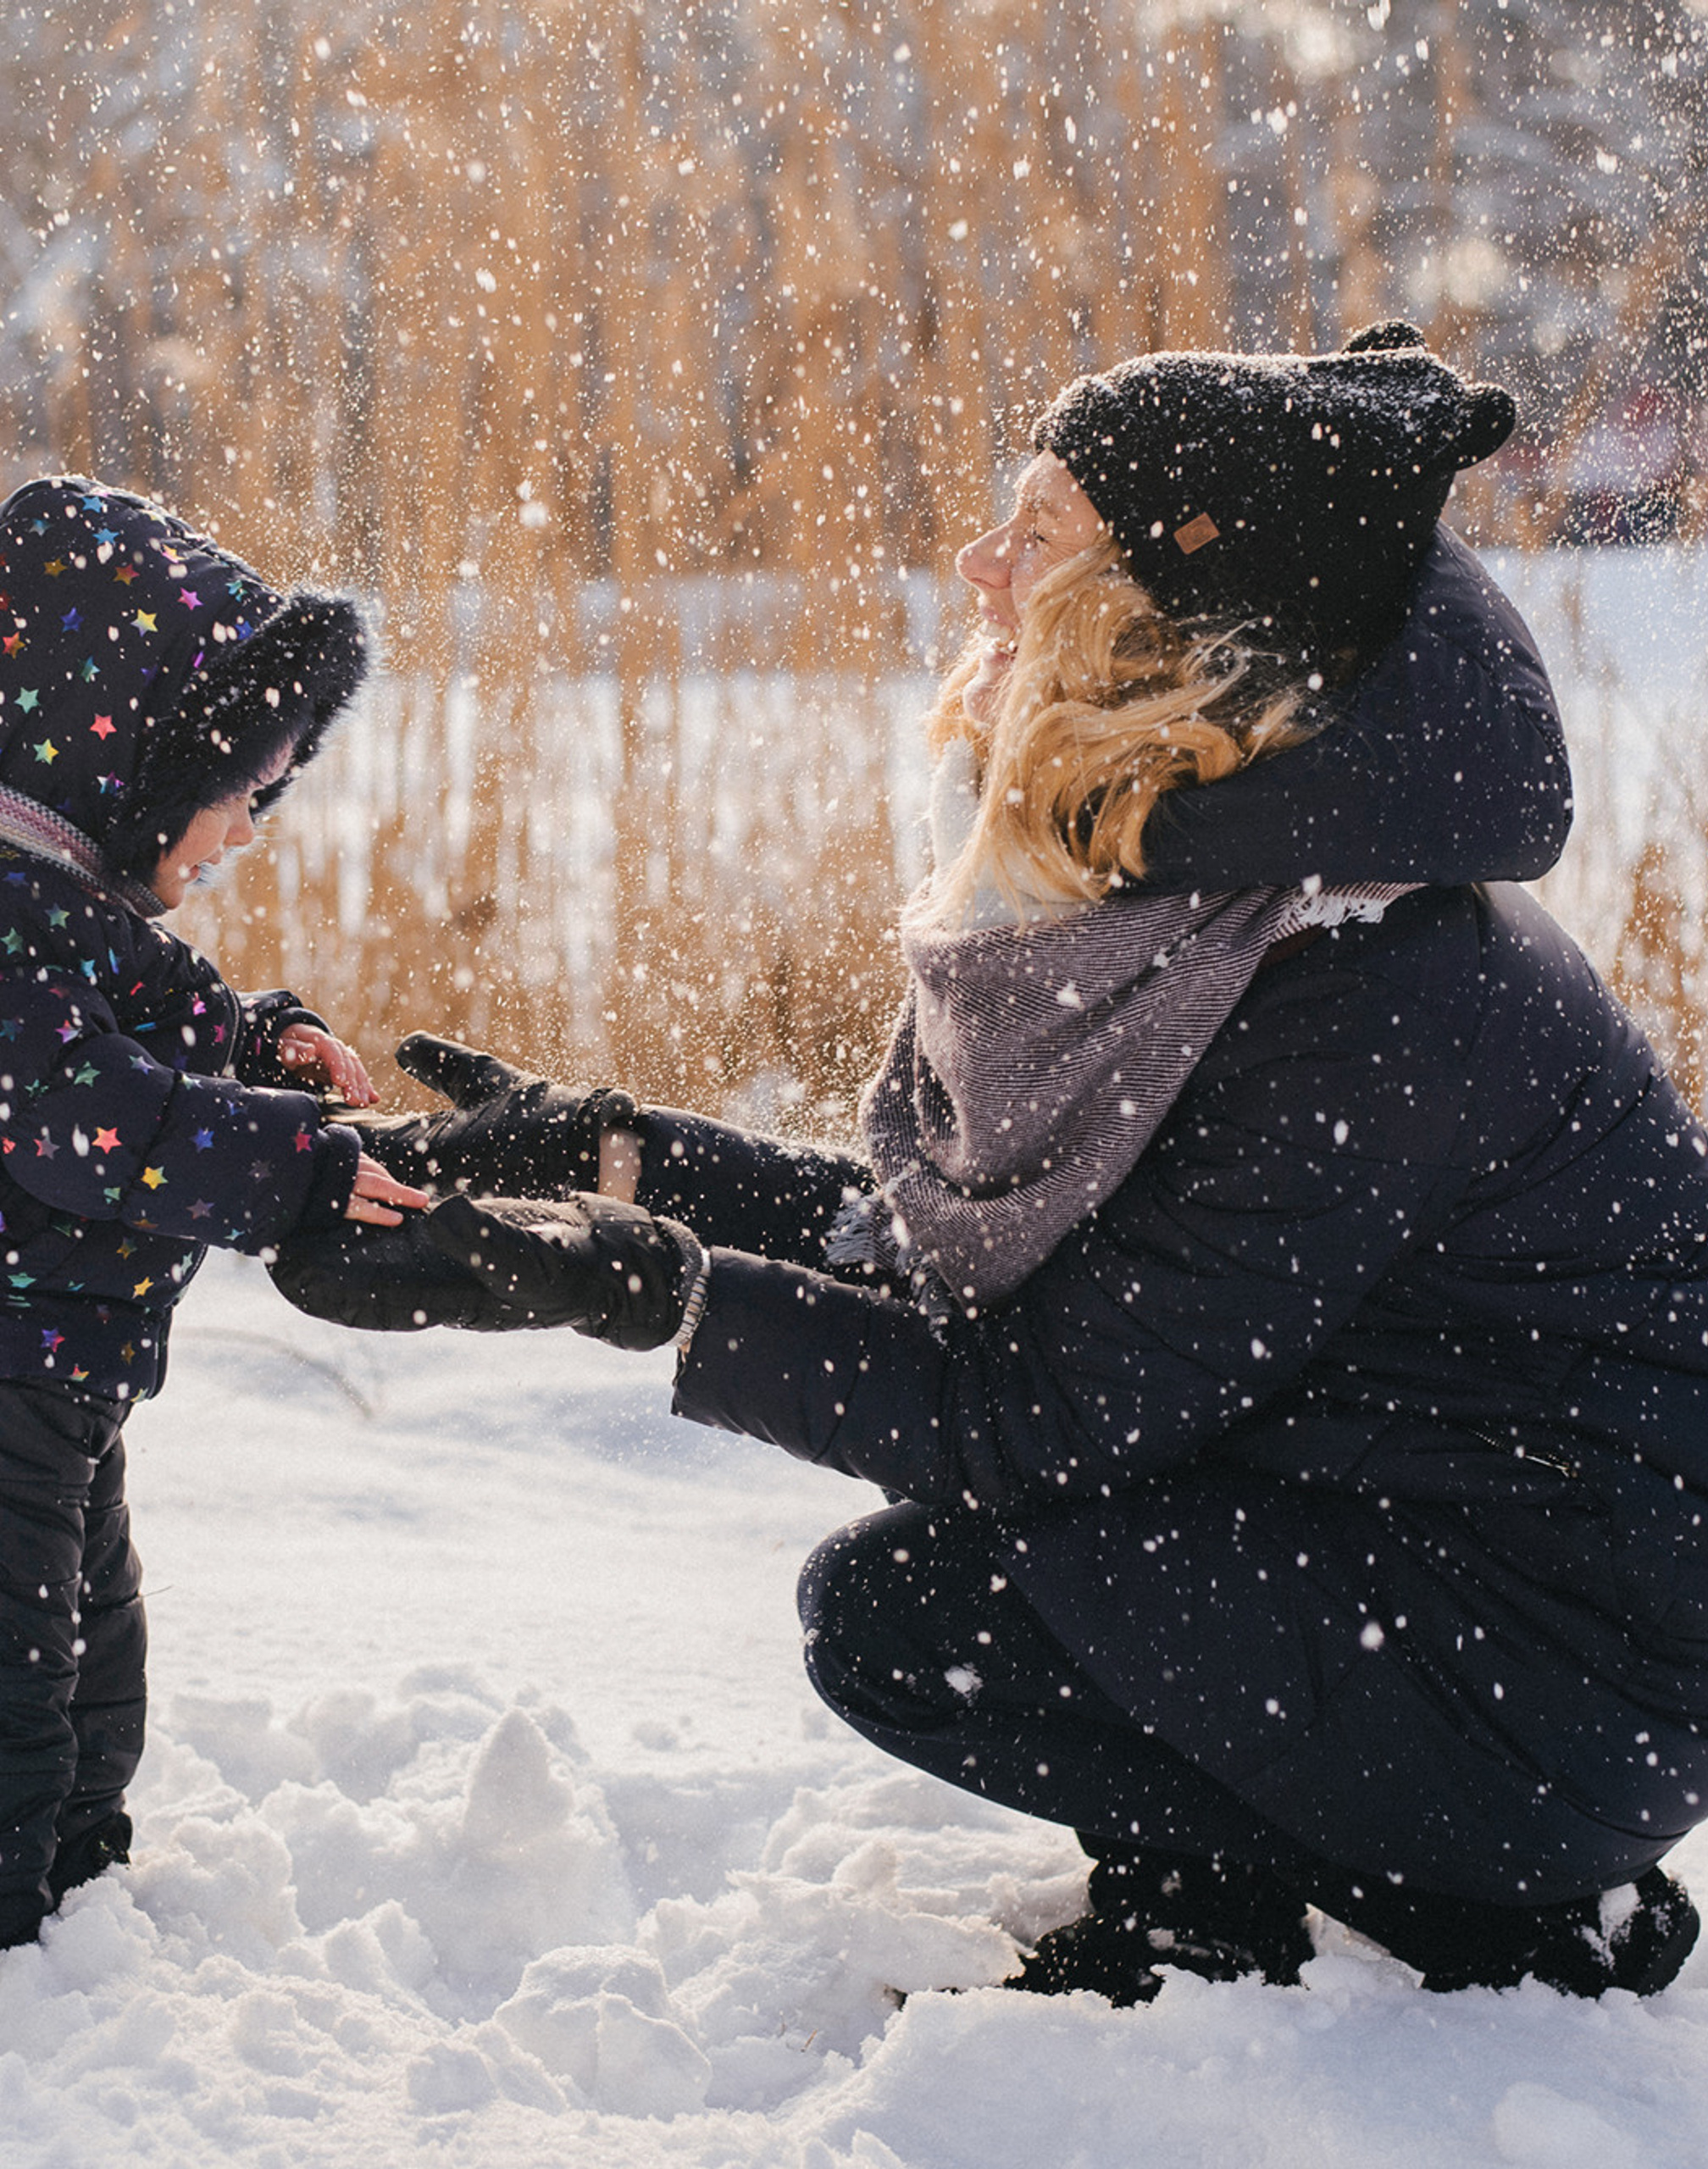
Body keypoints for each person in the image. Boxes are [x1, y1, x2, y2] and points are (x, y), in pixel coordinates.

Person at [288, 325, 1708, 2001]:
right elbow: (952, 1252)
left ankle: (1475, 1909)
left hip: (1546, 1690)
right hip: (1397, 1570)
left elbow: (1023, 1403)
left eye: (1033, 533)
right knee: (977, 1554)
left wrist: (650, 1297)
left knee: (919, 1608)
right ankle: (1229, 1881)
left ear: (1176, 634)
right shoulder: (1210, 908)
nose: (974, 564)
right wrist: (615, 1153)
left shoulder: (1368, 991)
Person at [0, 476, 429, 1979]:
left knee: (86, 1705)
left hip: (19, 1384)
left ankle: (67, 1969)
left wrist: (268, 1047)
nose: (248, 828)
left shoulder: (50, 891)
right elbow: (84, 1117)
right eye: (240, 788)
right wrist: (295, 1171)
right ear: (116, 755)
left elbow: (165, 1032)